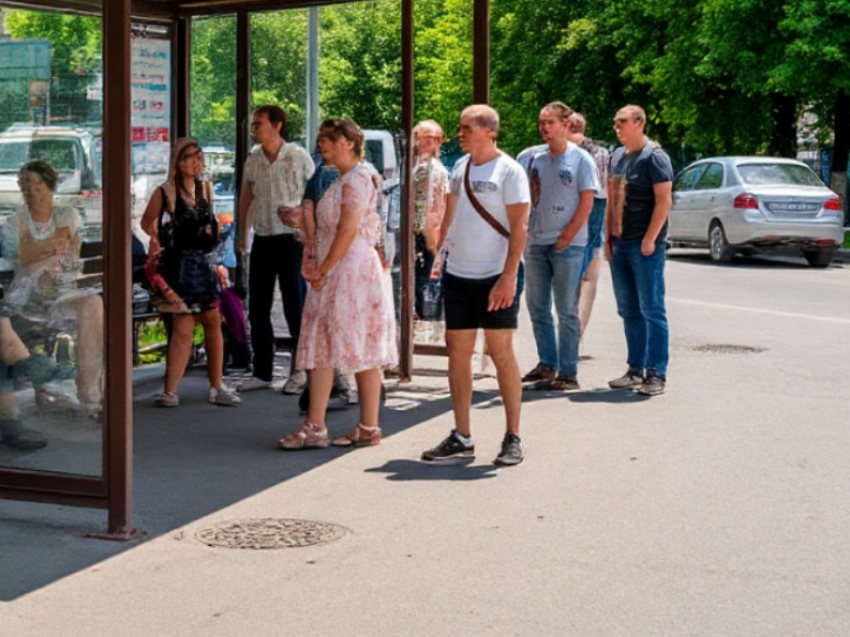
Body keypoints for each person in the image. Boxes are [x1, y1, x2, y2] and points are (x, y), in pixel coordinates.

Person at [420, 105, 530, 466]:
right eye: (460, 127)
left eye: (467, 127)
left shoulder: (509, 171)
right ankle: (462, 435)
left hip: (496, 276)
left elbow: (519, 229)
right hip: (459, 275)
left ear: (489, 131)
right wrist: (440, 258)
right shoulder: (460, 168)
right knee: (458, 355)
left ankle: (513, 435)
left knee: (501, 354)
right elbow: (451, 216)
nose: (461, 133)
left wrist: (508, 277)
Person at [279, 118, 397, 450]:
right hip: (341, 268)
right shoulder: (343, 178)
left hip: (348, 270)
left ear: (348, 142)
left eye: (328, 140)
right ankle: (350, 425)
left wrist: (324, 268)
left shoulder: (356, 180)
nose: (322, 146)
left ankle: (331, 426)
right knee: (335, 342)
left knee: (342, 343)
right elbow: (333, 228)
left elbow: (348, 230)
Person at [141, 138, 241, 407]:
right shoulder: (165, 192)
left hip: (202, 263)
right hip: (178, 265)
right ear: (179, 162)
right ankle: (171, 390)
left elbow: (212, 226)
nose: (197, 162)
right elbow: (146, 220)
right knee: (184, 325)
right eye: (190, 158)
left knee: (212, 321)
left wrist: (215, 233)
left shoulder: (205, 190)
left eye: (199, 156)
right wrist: (156, 239)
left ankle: (216, 385)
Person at [1, 160, 104, 410]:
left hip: (62, 293)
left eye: (37, 184)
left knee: (93, 303)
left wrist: (36, 248)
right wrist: (54, 245)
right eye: (25, 185)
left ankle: (89, 391)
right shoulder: (14, 222)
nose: (30, 191)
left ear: (50, 186)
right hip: (28, 299)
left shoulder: (66, 213)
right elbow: (22, 258)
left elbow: (70, 249)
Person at [520, 102, 599, 391]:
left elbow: (587, 200)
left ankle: (568, 371)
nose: (544, 128)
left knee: (566, 308)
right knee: (537, 306)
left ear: (565, 125)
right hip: (536, 243)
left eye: (550, 123)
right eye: (542, 122)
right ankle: (547, 364)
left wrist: (568, 234)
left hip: (568, 244)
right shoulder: (530, 158)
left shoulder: (581, 160)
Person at [236, 105, 315, 394]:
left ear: (277, 125)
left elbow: (314, 194)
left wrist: (307, 226)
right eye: (253, 124)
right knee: (258, 306)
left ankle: (300, 370)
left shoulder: (297, 156)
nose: (254, 129)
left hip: (292, 239)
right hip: (264, 238)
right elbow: (246, 196)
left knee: (296, 305)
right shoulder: (253, 159)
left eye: (259, 123)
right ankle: (262, 371)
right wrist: (242, 236)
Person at [606, 105, 673, 396]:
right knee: (629, 310)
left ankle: (656, 374)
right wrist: (608, 237)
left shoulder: (655, 157)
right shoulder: (617, 157)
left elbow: (664, 200)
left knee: (652, 310)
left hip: (645, 246)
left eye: (622, 122)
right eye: (616, 122)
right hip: (619, 244)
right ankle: (635, 369)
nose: (617, 127)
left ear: (639, 123)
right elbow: (612, 199)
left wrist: (650, 238)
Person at [567, 112, 609, 341]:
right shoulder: (600, 153)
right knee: (588, 280)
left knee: (568, 280)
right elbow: (603, 192)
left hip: (570, 220)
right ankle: (577, 333)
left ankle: (568, 332)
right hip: (593, 221)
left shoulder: (557, 150)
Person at [412, 120, 449, 319]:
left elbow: (438, 207)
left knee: (428, 282)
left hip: (428, 236)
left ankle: (428, 322)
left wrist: (434, 241)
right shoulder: (414, 166)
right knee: (419, 281)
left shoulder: (436, 170)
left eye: (437, 139)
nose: (433, 143)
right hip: (411, 234)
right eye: (428, 137)